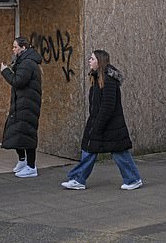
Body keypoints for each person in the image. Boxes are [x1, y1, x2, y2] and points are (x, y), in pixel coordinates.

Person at [61, 50, 143, 191]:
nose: (89, 61)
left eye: (92, 59)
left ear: (99, 61)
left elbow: (108, 106)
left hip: (110, 125)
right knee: (89, 150)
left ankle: (133, 179)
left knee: (119, 152)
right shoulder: (96, 77)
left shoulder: (109, 80)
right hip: (99, 123)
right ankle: (78, 179)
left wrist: (97, 125)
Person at [0, 36, 42, 178]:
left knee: (27, 134)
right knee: (17, 132)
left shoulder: (28, 63)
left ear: (23, 48)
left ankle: (31, 166)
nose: (13, 49)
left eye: (15, 47)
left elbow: (18, 81)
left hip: (27, 105)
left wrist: (5, 71)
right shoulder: (24, 61)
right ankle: (22, 161)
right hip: (22, 103)